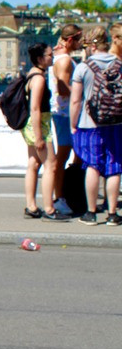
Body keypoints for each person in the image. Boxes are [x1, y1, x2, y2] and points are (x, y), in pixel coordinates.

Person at [70, 24, 122, 226]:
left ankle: (91, 213)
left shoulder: (84, 67)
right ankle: (112, 214)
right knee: (114, 167)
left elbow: (75, 101)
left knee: (93, 165)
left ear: (90, 45)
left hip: (89, 123)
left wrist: (73, 124)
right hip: (116, 122)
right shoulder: (119, 64)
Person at [22, 43, 68, 221]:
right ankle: (49, 208)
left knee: (33, 164)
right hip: (39, 124)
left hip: (31, 125)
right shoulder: (39, 79)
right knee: (51, 165)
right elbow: (35, 108)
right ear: (40, 58)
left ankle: (31, 205)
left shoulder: (32, 74)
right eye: (49, 55)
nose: (52, 58)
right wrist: (39, 136)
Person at [49, 24, 82, 215]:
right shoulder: (66, 60)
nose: (80, 44)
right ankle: (60, 197)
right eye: (78, 40)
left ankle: (61, 195)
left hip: (60, 112)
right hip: (64, 113)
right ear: (70, 40)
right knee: (62, 156)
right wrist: (82, 94)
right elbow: (62, 89)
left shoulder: (58, 57)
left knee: (64, 156)